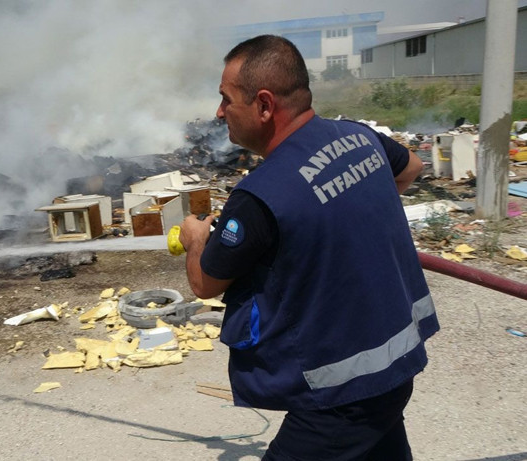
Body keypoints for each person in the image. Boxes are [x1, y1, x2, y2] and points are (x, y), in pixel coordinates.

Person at [178, 35, 439, 460]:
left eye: (226, 99)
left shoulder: (259, 196)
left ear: (264, 105)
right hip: (397, 365)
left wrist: (195, 240)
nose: (219, 112)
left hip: (339, 396)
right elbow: (412, 166)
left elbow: (205, 283)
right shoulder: (359, 137)